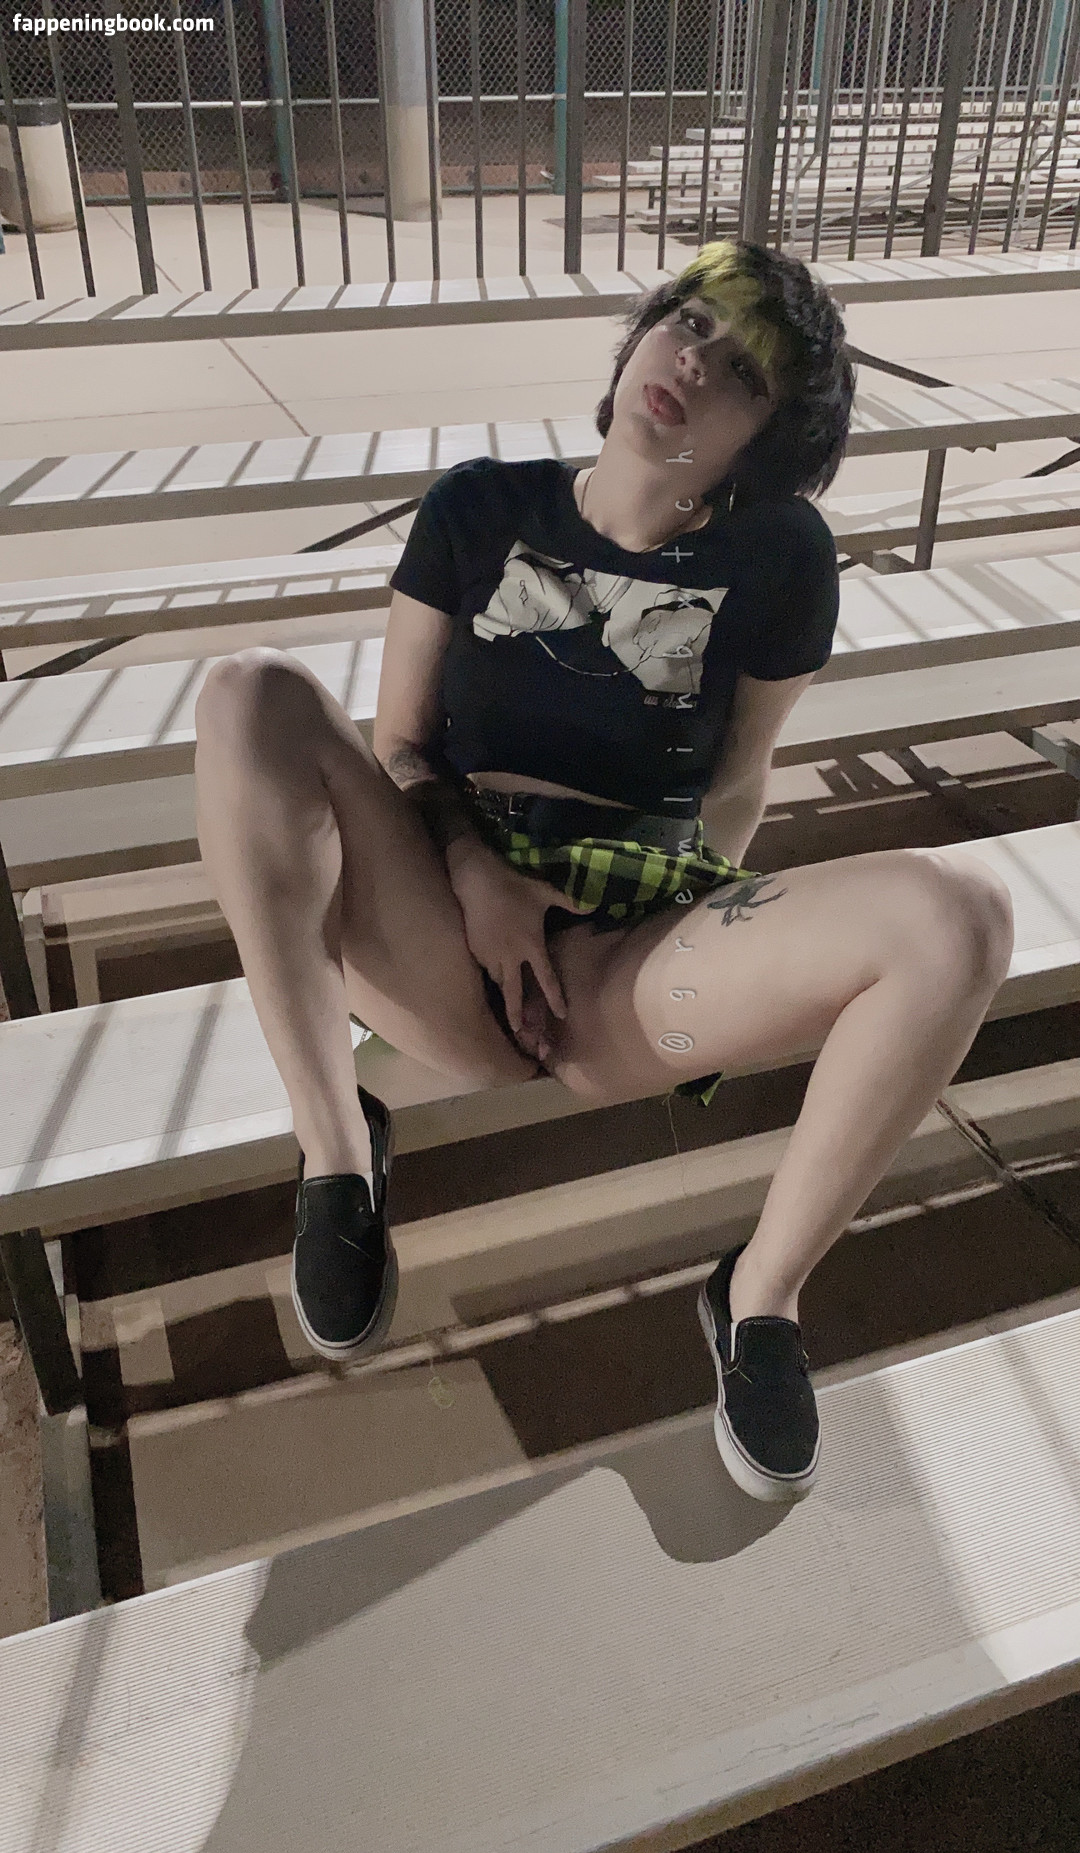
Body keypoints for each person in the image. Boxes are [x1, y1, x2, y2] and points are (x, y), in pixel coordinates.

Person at [193, 239, 1014, 1505]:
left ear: (766, 441)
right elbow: (400, 746)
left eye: (743, 371)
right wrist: (474, 872)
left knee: (960, 915)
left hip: (626, 951)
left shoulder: (782, 557)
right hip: (443, 915)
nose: (694, 359)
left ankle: (760, 1298)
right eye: (690, 320)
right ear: (641, 333)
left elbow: (739, 779)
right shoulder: (479, 508)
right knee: (250, 692)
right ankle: (338, 1155)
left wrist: (703, 925)